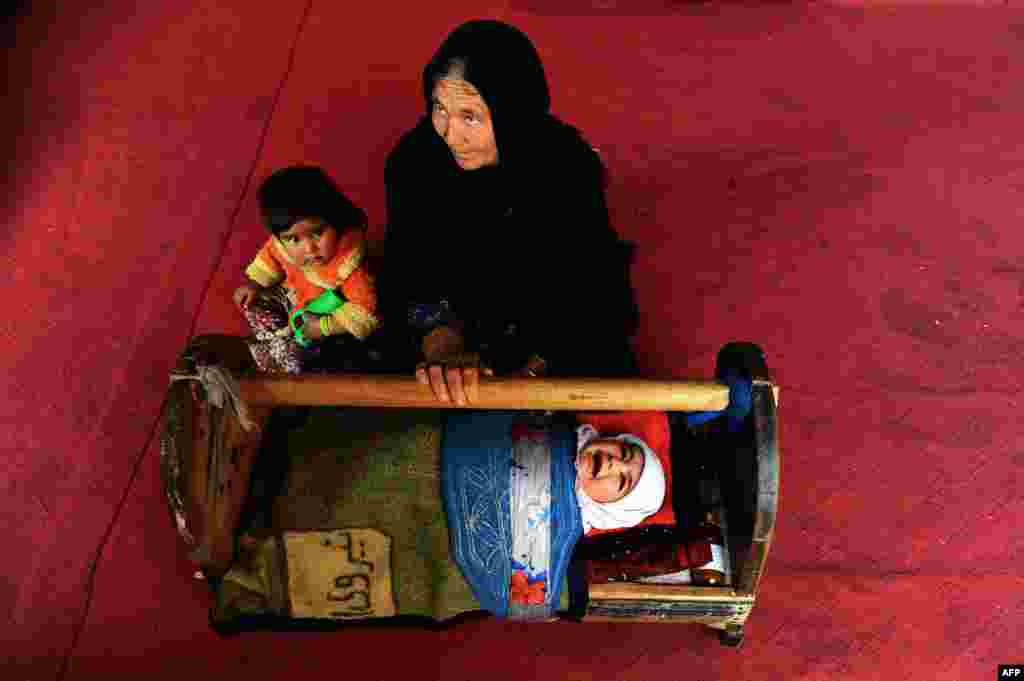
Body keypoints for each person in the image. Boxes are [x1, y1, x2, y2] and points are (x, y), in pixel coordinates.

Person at [381, 19, 639, 404]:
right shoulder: (413, 163)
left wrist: (530, 372)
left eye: (470, 116)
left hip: (545, 333)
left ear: (511, 110)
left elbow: (589, 280)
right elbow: (411, 267)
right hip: (456, 333)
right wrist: (442, 349)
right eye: (440, 109)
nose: (451, 134)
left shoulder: (565, 164)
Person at [233, 165, 381, 374]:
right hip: (295, 304)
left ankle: (286, 355)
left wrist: (322, 327)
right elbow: (270, 256)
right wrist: (253, 284)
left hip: (325, 322)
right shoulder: (281, 246)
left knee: (337, 356)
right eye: (294, 239)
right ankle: (274, 340)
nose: (309, 249)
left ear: (336, 220)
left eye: (318, 233)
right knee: (258, 304)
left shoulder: (351, 269)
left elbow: (366, 315)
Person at [574, 424, 666, 534]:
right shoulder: (565, 425)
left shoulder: (563, 528)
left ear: (608, 508)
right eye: (624, 453)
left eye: (623, 482)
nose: (615, 463)